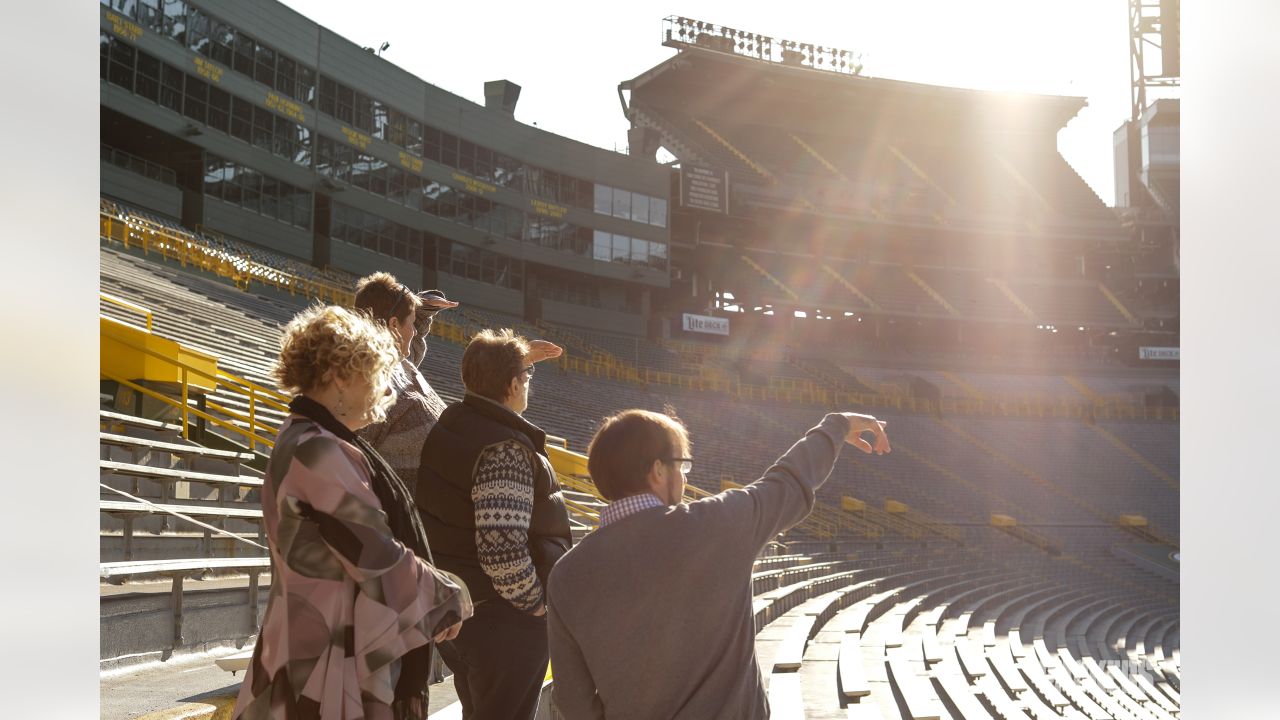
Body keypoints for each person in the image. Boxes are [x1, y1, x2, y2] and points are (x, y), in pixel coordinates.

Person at [546, 408, 892, 719]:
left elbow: (574, 701)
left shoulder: (566, 574)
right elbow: (789, 481)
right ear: (657, 471)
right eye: (681, 465)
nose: (684, 478)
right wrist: (837, 426)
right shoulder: (714, 524)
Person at [233, 304, 472, 720]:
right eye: (374, 376)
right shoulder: (319, 449)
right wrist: (448, 596)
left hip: (305, 648)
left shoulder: (304, 436)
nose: (383, 391)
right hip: (325, 665)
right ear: (338, 377)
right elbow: (374, 554)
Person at [415, 328, 571, 720]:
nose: (529, 383)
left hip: (464, 609)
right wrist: (536, 605)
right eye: (526, 375)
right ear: (512, 384)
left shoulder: (455, 422)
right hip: (503, 623)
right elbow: (502, 552)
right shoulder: (505, 449)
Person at [353, 272, 460, 493]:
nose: (414, 331)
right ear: (393, 325)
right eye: (411, 323)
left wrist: (417, 311)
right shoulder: (372, 388)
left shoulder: (396, 367)